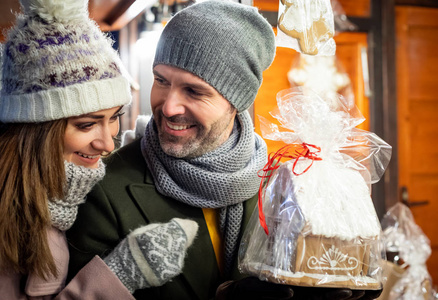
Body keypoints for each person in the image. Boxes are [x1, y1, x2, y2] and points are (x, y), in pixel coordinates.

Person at [66, 1, 382, 299]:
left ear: (236, 102)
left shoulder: (280, 184)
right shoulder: (104, 188)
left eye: (194, 90)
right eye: (161, 80)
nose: (169, 105)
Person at [0, 0, 198, 299]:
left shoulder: (56, 196)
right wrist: (117, 276)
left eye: (114, 118)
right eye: (86, 125)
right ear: (35, 128)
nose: (107, 144)